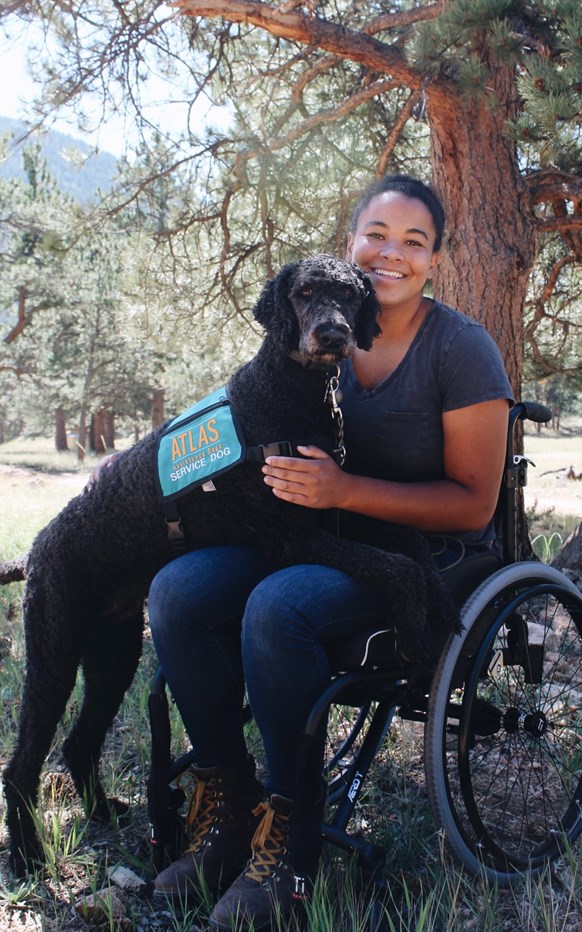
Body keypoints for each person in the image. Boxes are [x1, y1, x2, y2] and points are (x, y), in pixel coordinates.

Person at [140, 174, 513, 930]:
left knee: (279, 607)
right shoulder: (319, 324)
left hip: (429, 551)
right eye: (377, 234)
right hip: (316, 532)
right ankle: (231, 807)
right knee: (178, 590)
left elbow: (475, 503)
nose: (391, 254)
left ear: (435, 260)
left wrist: (342, 491)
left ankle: (292, 840)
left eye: (414, 242)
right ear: (350, 243)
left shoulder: (461, 350)